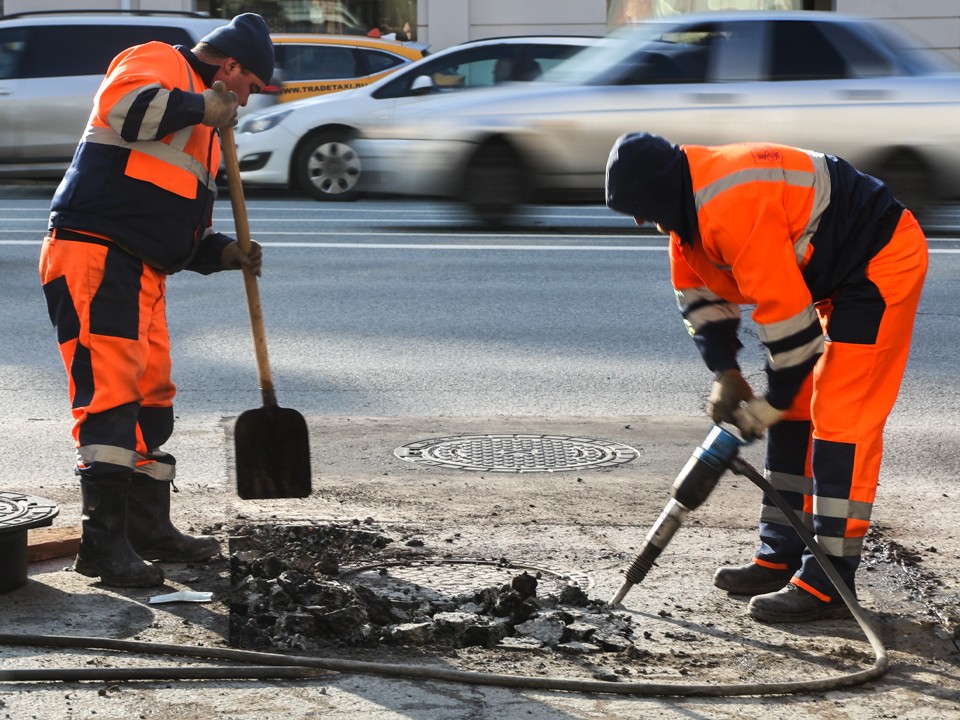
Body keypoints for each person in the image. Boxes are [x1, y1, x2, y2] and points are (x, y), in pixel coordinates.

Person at [605, 132, 928, 623]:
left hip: (878, 261)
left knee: (842, 417)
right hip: (828, 274)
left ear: (660, 190)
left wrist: (770, 399)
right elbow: (699, 301)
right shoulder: (685, 213)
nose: (638, 219)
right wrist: (726, 374)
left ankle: (830, 581)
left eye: (639, 207)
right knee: (794, 410)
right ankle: (782, 553)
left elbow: (790, 326)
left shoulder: (731, 203)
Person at [38, 14, 274, 588]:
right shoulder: (158, 61)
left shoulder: (209, 133)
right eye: (251, 86)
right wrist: (202, 108)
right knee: (110, 400)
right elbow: (127, 110)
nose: (250, 99)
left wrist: (222, 253)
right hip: (95, 255)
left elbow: (170, 223)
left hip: (141, 268)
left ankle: (146, 529)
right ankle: (101, 547)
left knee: (152, 401)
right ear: (230, 67)